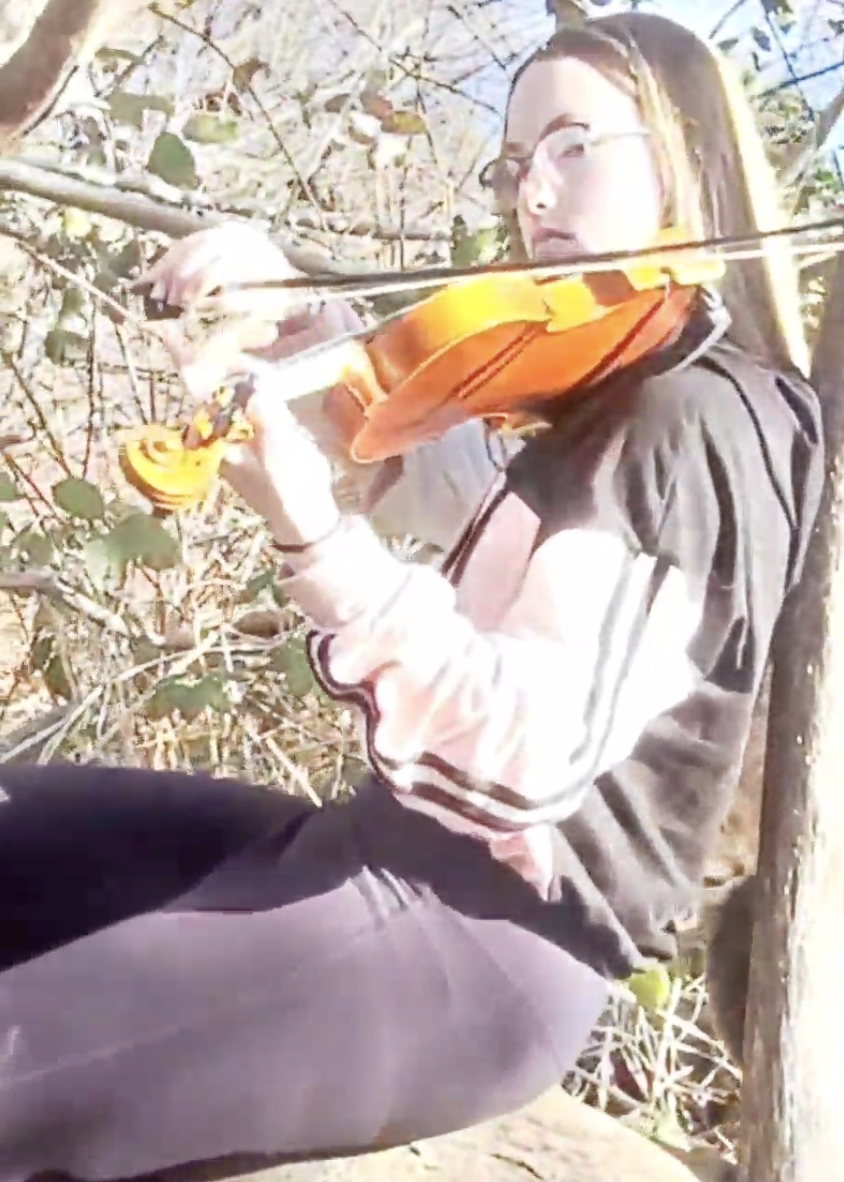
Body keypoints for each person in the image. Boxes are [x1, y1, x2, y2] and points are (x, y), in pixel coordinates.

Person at [0, 11, 822, 1182]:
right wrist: (304, 324)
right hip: (380, 854)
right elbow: (462, 499)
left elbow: (526, 748)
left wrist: (314, 533)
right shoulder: (618, 385)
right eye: (514, 161)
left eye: (575, 146)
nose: (532, 189)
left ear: (686, 153)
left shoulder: (694, 423)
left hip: (477, 946)